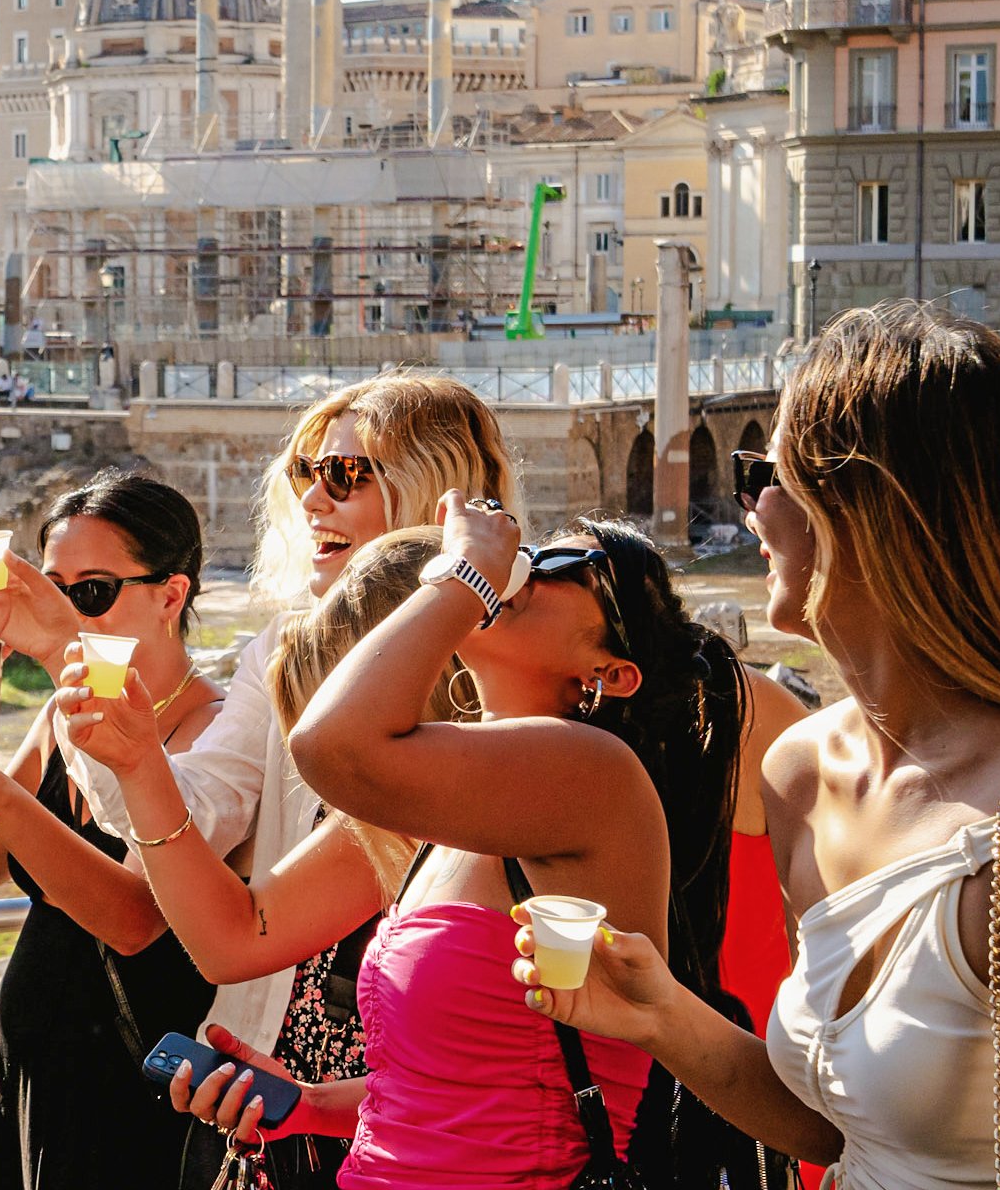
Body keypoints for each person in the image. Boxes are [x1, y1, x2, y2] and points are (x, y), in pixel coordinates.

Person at [513, 302, 1000, 1186]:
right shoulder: (802, 772)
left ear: (869, 505)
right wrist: (661, 1011)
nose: (747, 509)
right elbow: (830, 1128)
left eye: (763, 475)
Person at [0, 374, 521, 1186]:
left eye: (347, 475)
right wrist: (63, 661)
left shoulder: (498, 673)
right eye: (305, 473)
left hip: (429, 1096)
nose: (315, 498)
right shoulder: (284, 647)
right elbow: (196, 814)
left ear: (436, 489)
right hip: (276, 1085)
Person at [166, 499, 750, 1186]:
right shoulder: (460, 815)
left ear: (610, 672)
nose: (533, 570)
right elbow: (463, 1085)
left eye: (570, 565)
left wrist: (467, 575)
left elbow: (331, 747)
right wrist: (313, 1104)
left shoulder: (597, 776)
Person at [0, 470, 224, 1189]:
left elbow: (138, 920)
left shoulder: (210, 730)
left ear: (172, 595)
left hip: (129, 1081)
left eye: (91, 591)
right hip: (30, 1066)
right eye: (52, 587)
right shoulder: (58, 714)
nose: (63, 610)